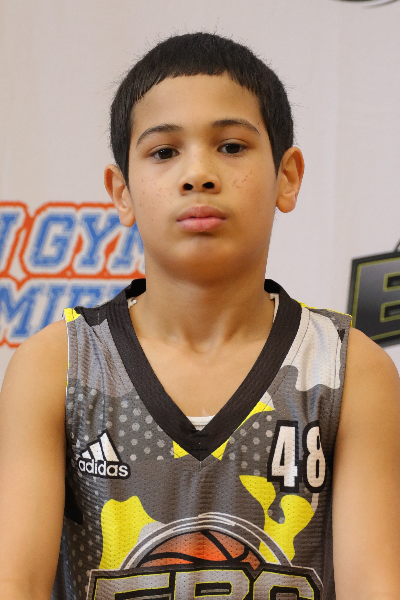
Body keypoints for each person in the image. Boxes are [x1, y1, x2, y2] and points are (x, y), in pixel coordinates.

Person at [0, 32, 399, 600]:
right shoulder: (56, 365)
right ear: (122, 191)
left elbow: (376, 587)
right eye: (164, 152)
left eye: (231, 146)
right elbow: (15, 583)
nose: (198, 174)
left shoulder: (349, 370)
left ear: (287, 176)